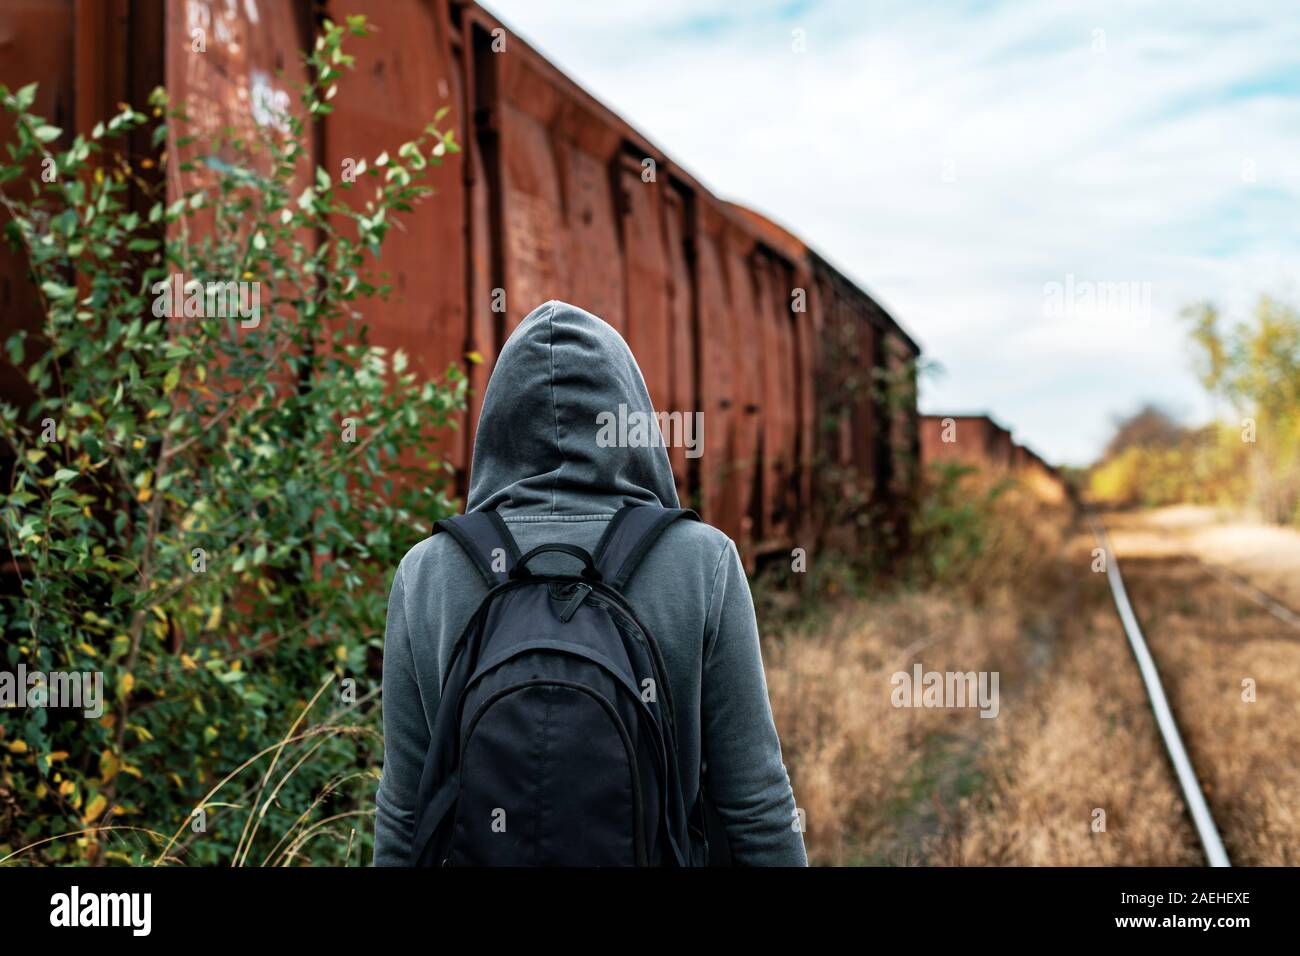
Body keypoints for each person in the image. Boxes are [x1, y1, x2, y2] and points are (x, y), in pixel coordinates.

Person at [373, 300, 806, 866]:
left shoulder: (428, 571)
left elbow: (404, 813)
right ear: (632, 417)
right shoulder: (702, 562)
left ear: (498, 420)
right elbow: (755, 805)